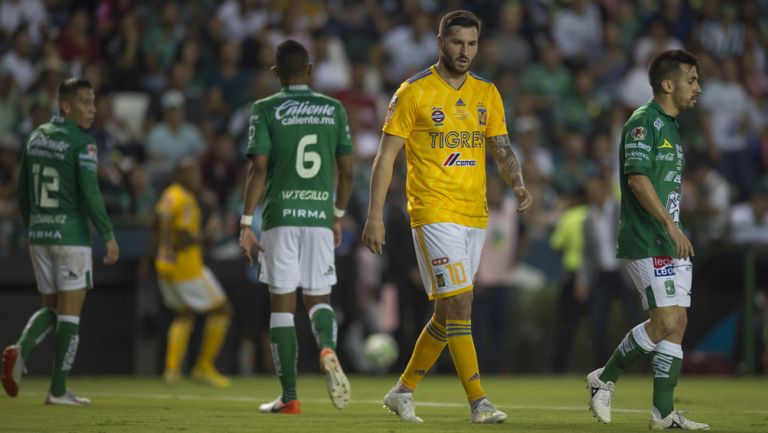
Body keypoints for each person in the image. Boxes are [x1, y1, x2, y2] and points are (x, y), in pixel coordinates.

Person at [362, 10, 532, 424]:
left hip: (474, 214)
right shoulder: (413, 92)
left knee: (446, 314)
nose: (465, 51)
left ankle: (402, 391)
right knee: (462, 301)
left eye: (472, 44)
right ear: (440, 43)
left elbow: (502, 148)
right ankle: (479, 401)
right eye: (457, 42)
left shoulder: (486, 93)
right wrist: (375, 216)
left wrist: (518, 183)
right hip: (432, 211)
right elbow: (385, 158)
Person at [586, 49, 709, 430]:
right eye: (691, 80)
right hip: (647, 239)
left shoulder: (672, 127)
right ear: (668, 84)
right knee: (665, 319)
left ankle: (663, 414)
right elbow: (637, 179)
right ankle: (603, 379)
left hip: (669, 239)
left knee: (678, 323)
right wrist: (671, 227)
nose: (698, 89)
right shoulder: (643, 123)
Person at [239, 39, 354, 414]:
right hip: (320, 217)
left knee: (282, 308)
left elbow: (258, 167)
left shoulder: (266, 109)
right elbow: (349, 171)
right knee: (319, 298)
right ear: (310, 70)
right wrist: (337, 214)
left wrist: (245, 222)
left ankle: (289, 397)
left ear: (275, 73)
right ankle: (327, 348)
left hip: (280, 218)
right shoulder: (333, 108)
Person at [2, 78, 120, 405]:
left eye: (94, 102)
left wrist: (33, 227)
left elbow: (22, 192)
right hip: (71, 238)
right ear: (66, 107)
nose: (93, 110)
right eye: (85, 103)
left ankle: (20, 349)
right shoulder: (83, 144)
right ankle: (57, 390)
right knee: (69, 315)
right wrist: (108, 234)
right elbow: (91, 193)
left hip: (39, 234)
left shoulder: (34, 138)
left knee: (52, 309)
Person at [141, 157, 232, 388]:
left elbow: (154, 225)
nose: (197, 177)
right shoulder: (186, 200)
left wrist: (147, 259)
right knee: (223, 309)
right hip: (187, 267)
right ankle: (203, 367)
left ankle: (171, 370)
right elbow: (182, 238)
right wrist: (207, 235)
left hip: (165, 266)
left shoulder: (168, 196)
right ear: (180, 176)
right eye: (191, 174)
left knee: (185, 315)